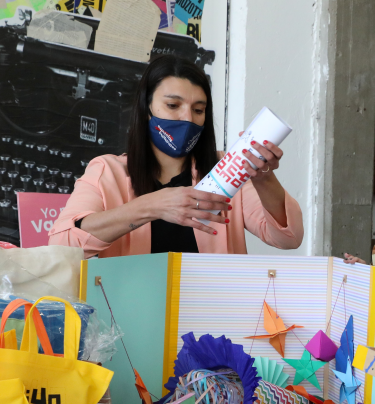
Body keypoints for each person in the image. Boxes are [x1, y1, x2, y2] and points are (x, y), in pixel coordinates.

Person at [49, 55, 303, 257]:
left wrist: (263, 177)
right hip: (130, 307)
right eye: (173, 105)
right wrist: (151, 206)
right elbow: (61, 245)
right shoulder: (107, 172)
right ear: (146, 108)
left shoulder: (226, 169)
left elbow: (288, 238)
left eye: (198, 110)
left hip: (213, 305)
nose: (187, 118)